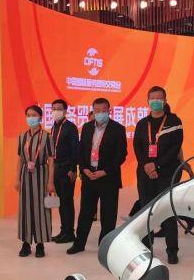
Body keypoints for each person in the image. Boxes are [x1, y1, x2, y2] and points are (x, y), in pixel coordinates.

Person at [67, 98, 128, 254]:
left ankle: (105, 246)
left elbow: (121, 155)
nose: (100, 113)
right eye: (97, 110)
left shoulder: (118, 129)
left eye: (103, 110)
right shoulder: (87, 127)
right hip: (89, 176)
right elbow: (81, 151)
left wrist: (105, 171)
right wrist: (84, 169)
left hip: (108, 177)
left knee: (108, 214)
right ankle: (79, 243)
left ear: (109, 111)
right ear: (93, 111)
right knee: (85, 212)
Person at [133, 86, 184, 265]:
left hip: (166, 173)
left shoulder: (174, 121)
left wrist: (156, 165)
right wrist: (147, 165)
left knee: (166, 211)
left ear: (165, 100)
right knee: (146, 212)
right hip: (145, 173)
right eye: (152, 98)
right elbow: (138, 147)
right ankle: (146, 248)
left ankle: (172, 250)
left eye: (159, 98)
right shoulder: (142, 123)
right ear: (148, 101)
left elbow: (174, 148)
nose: (155, 101)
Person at [15, 105, 56, 257]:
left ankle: (40, 244)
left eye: (33, 115)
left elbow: (51, 161)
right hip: (25, 176)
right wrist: (17, 179)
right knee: (25, 209)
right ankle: (26, 243)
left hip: (41, 174)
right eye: (28, 115)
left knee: (41, 209)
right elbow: (20, 159)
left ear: (40, 117)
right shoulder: (22, 137)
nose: (30, 118)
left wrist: (50, 181)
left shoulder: (47, 137)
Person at [50, 99, 79, 244]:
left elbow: (75, 150)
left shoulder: (70, 127)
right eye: (54, 108)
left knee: (67, 201)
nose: (56, 111)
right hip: (56, 169)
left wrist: (73, 169)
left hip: (67, 169)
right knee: (61, 202)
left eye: (59, 108)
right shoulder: (53, 127)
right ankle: (63, 230)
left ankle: (69, 233)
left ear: (65, 111)